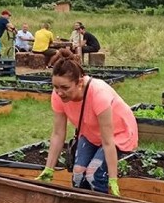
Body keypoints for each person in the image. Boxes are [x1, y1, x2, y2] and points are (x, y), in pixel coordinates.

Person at [35, 48, 138, 195]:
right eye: (55, 87)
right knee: (78, 174)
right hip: (90, 132)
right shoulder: (58, 95)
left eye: (65, 87)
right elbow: (58, 134)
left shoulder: (98, 94)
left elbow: (108, 141)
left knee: (94, 174)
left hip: (118, 133)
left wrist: (113, 179)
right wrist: (49, 168)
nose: (59, 92)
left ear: (80, 83)